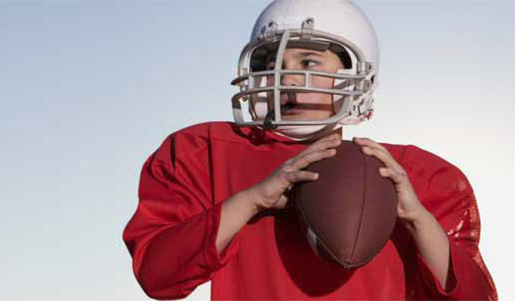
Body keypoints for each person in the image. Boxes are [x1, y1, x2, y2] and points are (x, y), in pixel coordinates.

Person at [122, 0, 498, 299]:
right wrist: (250, 200)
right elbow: (158, 277)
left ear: (355, 73)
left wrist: (416, 217)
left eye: (308, 62)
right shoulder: (201, 153)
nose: (286, 79)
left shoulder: (416, 175)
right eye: (272, 64)